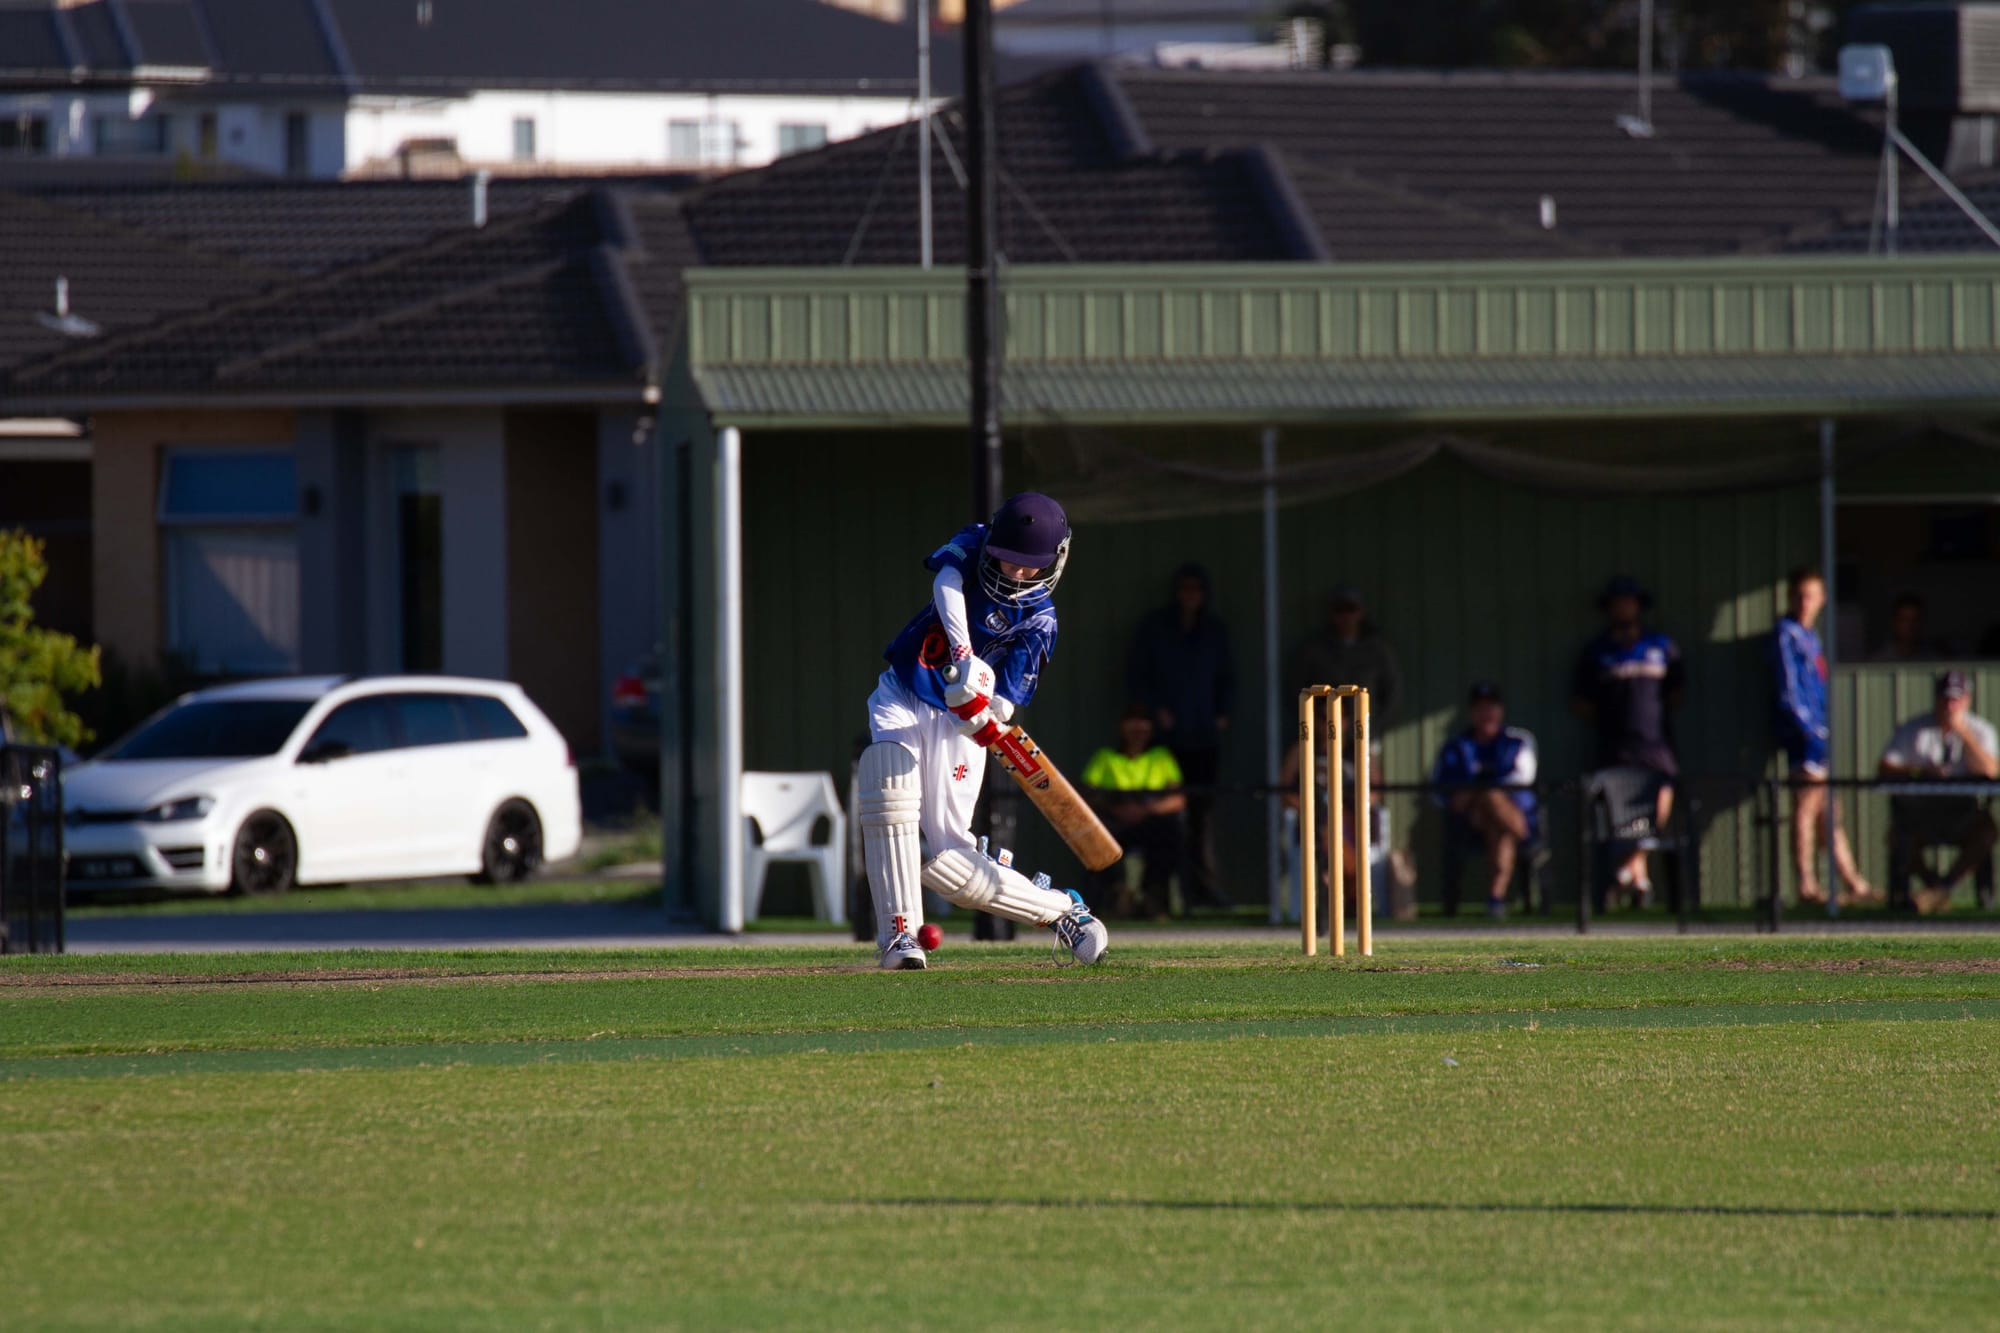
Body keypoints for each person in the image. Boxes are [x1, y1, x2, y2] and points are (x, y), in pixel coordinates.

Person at [856, 493, 1108, 970]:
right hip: (904, 692)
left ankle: (1061, 910)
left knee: (951, 861)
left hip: (959, 725)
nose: (1014, 572)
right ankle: (899, 937)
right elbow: (947, 583)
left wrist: (980, 712)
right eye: (1007, 560)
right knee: (889, 792)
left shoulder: (1040, 620)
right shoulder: (974, 542)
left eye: (1026, 566)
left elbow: (1006, 700)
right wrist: (964, 654)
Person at [1570, 575, 1683, 906]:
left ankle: (1626, 873)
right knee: (1619, 816)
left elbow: (1676, 693)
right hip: (1614, 747)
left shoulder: (1660, 646)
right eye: (1617, 602)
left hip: (1655, 744)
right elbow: (1581, 702)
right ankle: (1639, 879)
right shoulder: (1597, 651)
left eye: (1628, 601)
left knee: (1659, 806)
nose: (1623, 607)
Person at [1127, 564, 1233, 907]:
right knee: (1167, 818)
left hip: (1204, 737)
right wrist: (1157, 710)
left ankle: (1201, 891)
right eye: (1185, 588)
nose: (1190, 596)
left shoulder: (1214, 632)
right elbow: (1139, 673)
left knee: (1201, 818)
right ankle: (1159, 894)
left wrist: (1221, 714)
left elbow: (1228, 676)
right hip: (1168, 739)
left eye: (1196, 589)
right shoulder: (1157, 629)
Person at [1773, 565, 1874, 906]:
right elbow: (1789, 691)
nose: (1805, 602)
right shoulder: (1786, 634)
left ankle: (1854, 883)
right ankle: (1807, 885)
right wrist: (1809, 729)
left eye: (1811, 596)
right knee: (1806, 806)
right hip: (1804, 737)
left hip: (1820, 734)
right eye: (1799, 595)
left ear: (1822, 599)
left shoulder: (1811, 636)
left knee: (1828, 810)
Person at [1878, 671, 1999, 914]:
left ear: (1967, 700)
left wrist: (1963, 733)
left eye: (1956, 699)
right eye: (1945, 699)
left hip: (1963, 812)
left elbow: (1991, 770)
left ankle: (1942, 888)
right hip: (1922, 812)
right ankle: (1932, 887)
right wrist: (1921, 771)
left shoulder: (1980, 731)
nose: (1950, 706)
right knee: (1898, 835)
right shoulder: (1915, 729)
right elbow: (1885, 768)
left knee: (1987, 832)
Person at [1431, 682, 1538, 919]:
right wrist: (1478, 793)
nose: (1486, 713)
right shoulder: (1456, 746)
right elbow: (1439, 789)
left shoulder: (1517, 741)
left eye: (1491, 707)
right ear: (1471, 712)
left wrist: (1482, 790)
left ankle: (1495, 898)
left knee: (1495, 816)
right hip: (1470, 821)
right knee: (1492, 809)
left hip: (1512, 815)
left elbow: (1523, 778)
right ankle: (1495, 897)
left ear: (1500, 710)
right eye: (1480, 708)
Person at [1081, 704, 1187, 918]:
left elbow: (1178, 799)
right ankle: (1118, 895)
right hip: (1115, 820)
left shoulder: (1161, 757)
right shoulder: (1106, 757)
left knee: (1170, 833)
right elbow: (1085, 796)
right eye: (1132, 723)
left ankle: (1153, 897)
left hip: (1150, 820)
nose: (1137, 731)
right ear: (1122, 728)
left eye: (1143, 724)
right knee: (1094, 836)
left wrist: (1145, 809)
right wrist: (1116, 808)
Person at [1291, 586, 1401, 723]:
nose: (1346, 616)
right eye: (1339, 610)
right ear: (1332, 614)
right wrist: (1317, 724)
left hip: (1366, 732)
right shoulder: (1315, 649)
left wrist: (1373, 728)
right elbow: (1298, 690)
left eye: (1351, 609)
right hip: (1325, 733)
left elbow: (1392, 694)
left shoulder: (1377, 650)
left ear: (1361, 612)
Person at [1870, 592, 1951, 662]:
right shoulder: (1877, 662)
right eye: (1904, 620)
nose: (1909, 626)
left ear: (1922, 622)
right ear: (1894, 622)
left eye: (1915, 620)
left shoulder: (1934, 662)